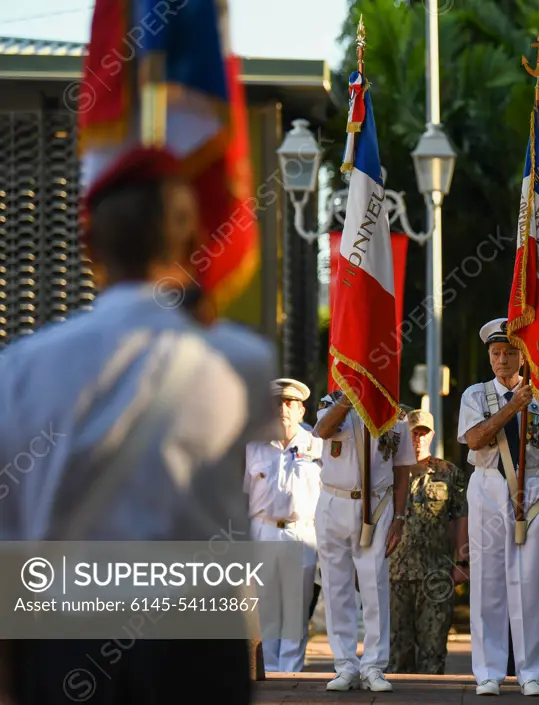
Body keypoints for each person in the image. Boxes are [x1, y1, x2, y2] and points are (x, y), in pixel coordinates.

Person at [0, 147, 278, 705]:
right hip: (193, 644)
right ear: (196, 244)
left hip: (62, 635)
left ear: (88, 248)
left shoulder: (21, 366)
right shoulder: (242, 360)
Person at [457, 317, 539, 697]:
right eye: (496, 353)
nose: (502, 359)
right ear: (489, 358)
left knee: (530, 583)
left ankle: (532, 672)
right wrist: (512, 408)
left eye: (509, 352)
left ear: (523, 357)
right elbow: (474, 440)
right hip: (489, 484)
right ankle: (488, 671)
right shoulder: (475, 395)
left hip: (533, 486)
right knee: (488, 581)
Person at [313, 391, 415, 692]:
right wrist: (350, 398)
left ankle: (374, 666)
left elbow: (402, 469)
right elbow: (323, 431)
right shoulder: (331, 402)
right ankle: (345, 665)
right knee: (336, 587)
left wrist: (399, 517)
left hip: (376, 505)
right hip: (334, 500)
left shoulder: (396, 412)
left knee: (374, 586)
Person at [244, 378, 323, 673]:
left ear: (302, 411)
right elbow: (243, 493)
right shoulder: (254, 446)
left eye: (290, 403)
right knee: (265, 606)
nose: (283, 409)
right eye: (278, 403)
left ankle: (291, 671)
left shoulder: (317, 444)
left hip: (300, 531)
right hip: (262, 530)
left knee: (295, 607)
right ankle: (271, 669)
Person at [387, 409, 469, 675]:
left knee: (433, 649)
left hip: (436, 573)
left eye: (423, 433)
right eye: (413, 432)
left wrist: (463, 561)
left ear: (432, 435)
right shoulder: (388, 471)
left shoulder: (448, 473)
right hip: (394, 573)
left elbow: (460, 518)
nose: (418, 438)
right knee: (396, 650)